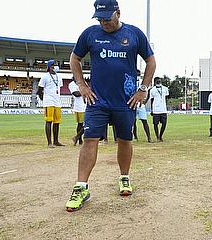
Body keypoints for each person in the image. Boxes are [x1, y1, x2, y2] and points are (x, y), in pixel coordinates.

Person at [65, 0, 156, 212]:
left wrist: (143, 88)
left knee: (125, 140)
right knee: (89, 140)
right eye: (100, 18)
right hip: (97, 101)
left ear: (118, 13)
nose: (104, 22)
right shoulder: (90, 34)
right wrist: (81, 84)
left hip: (126, 101)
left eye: (107, 17)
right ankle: (81, 187)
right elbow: (74, 58)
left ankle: (124, 178)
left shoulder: (134, 34)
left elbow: (151, 61)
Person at [37, 59, 65, 148]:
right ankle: (49, 142)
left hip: (57, 101)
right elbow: (39, 90)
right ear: (49, 67)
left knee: (57, 122)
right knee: (49, 121)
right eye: (54, 65)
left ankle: (56, 141)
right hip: (49, 101)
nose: (56, 66)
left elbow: (58, 88)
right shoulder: (45, 77)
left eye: (56, 64)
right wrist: (44, 100)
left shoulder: (59, 77)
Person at [134, 69, 154, 143]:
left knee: (144, 121)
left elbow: (147, 92)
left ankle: (149, 137)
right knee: (133, 122)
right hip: (133, 104)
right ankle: (135, 137)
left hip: (141, 105)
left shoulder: (142, 83)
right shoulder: (132, 81)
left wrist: (144, 102)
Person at [68, 77, 87, 146]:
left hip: (85, 105)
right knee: (80, 124)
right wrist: (85, 91)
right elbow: (76, 94)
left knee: (87, 123)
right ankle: (79, 139)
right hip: (79, 107)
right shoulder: (72, 84)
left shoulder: (84, 83)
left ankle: (77, 137)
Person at [150, 77, 169, 142]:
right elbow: (152, 100)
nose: (158, 81)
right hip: (156, 109)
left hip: (163, 109)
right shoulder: (152, 90)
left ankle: (160, 136)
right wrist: (152, 109)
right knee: (155, 124)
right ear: (155, 82)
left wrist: (166, 106)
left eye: (159, 81)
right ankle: (157, 136)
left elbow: (166, 98)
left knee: (164, 123)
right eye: (157, 81)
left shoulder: (165, 89)